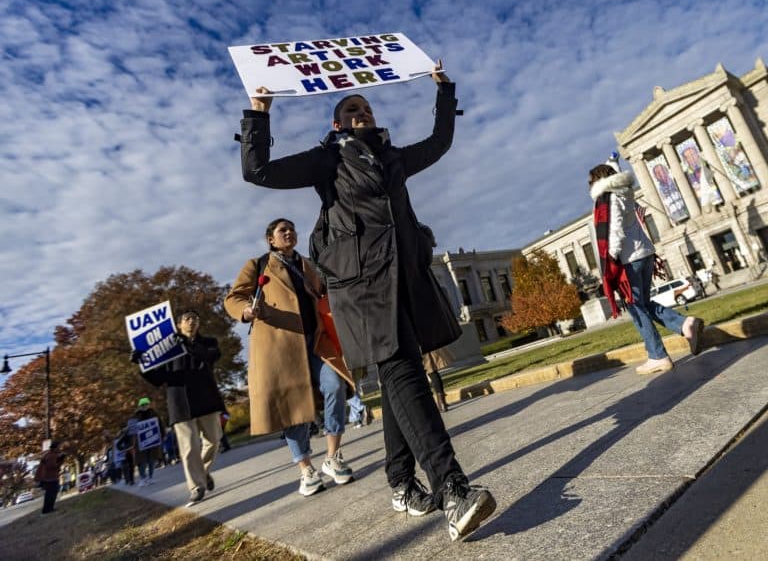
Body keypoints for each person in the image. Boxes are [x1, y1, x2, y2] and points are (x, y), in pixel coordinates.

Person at [237, 62, 496, 541]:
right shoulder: (327, 161)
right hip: (361, 289)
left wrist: (443, 89)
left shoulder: (394, 159)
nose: (362, 111)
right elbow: (259, 171)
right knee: (402, 370)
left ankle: (400, 483)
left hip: (405, 282)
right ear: (337, 124)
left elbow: (439, 143)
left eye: (367, 106)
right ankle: (454, 492)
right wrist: (259, 113)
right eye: (351, 108)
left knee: (404, 372)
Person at [224, 218, 355, 497]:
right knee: (292, 408)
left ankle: (332, 456)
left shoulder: (308, 264)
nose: (289, 232)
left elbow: (323, 292)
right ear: (271, 239)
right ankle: (306, 469)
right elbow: (233, 298)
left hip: (317, 341)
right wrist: (246, 310)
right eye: (282, 230)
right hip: (280, 347)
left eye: (292, 229)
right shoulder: (257, 265)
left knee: (335, 385)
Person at [589, 163, 705, 374]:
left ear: (598, 180)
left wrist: (610, 263)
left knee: (635, 308)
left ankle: (657, 355)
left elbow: (614, 230)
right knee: (643, 303)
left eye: (590, 181)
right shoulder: (624, 191)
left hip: (628, 259)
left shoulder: (609, 197)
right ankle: (685, 324)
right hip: (645, 252)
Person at [134, 310, 226, 507]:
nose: (192, 321)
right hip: (180, 403)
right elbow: (157, 379)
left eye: (196, 318)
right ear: (178, 325)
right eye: (187, 318)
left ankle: (202, 472)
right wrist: (142, 362)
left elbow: (211, 357)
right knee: (189, 448)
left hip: (206, 398)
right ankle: (196, 487)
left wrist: (188, 346)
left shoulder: (208, 342)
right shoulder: (166, 349)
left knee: (214, 441)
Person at [132, 397, 163, 487]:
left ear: (149, 405)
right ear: (139, 406)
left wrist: (162, 435)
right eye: (143, 405)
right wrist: (133, 443)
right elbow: (132, 431)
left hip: (153, 441)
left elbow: (160, 425)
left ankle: (151, 477)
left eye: (146, 404)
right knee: (142, 461)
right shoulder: (135, 416)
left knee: (152, 460)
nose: (145, 406)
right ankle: (142, 478)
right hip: (140, 443)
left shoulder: (154, 414)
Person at [35, 440, 65, 514]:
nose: (60, 448)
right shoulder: (51, 455)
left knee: (51, 493)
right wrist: (61, 459)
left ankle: (48, 509)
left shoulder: (50, 454)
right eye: (59, 446)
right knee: (51, 493)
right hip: (50, 477)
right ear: (56, 447)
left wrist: (60, 459)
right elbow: (52, 466)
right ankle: (48, 509)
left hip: (48, 477)